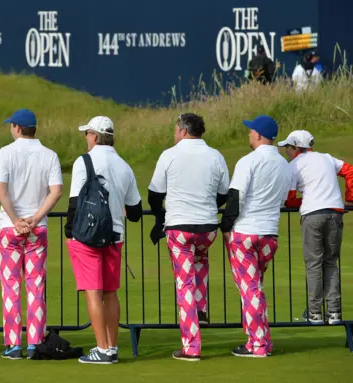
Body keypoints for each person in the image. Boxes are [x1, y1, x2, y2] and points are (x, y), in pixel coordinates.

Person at [148, 113, 230, 361]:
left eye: (176, 129)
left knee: (184, 284)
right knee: (201, 262)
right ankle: (201, 306)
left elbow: (154, 194)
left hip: (180, 227)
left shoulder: (169, 155)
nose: (174, 133)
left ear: (183, 131)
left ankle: (191, 347)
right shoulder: (216, 155)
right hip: (207, 227)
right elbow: (224, 193)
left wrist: (160, 216)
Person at [65, 116, 142, 364]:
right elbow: (136, 212)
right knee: (110, 293)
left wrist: (70, 230)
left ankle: (101, 349)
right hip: (114, 236)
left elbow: (74, 202)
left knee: (93, 293)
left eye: (87, 134)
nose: (86, 138)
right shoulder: (124, 166)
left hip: (87, 236)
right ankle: (112, 347)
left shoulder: (83, 161)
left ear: (95, 136)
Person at [0, 109, 63, 359]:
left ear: (17, 128)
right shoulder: (50, 155)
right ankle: (35, 342)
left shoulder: (5, 153)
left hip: (10, 228)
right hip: (37, 228)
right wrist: (35, 217)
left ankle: (14, 344)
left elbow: (1, 191)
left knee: (11, 287)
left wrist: (15, 219)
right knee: (36, 286)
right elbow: (55, 191)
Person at [219, 115, 290, 358]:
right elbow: (285, 198)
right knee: (254, 288)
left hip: (246, 232)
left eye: (251, 131)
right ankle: (259, 340)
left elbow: (235, 197)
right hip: (270, 234)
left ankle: (257, 344)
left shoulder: (248, 161)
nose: (249, 134)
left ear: (259, 135)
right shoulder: (284, 165)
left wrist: (225, 227)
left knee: (250, 290)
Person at [278, 130, 353, 325]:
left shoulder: (293, 165)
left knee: (313, 264)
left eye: (288, 147)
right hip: (335, 212)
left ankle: (315, 313)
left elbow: (290, 198)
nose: (286, 151)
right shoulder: (327, 158)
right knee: (330, 263)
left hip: (313, 215)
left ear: (296, 147)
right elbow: (349, 171)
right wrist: (350, 199)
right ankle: (334, 313)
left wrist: (303, 203)